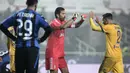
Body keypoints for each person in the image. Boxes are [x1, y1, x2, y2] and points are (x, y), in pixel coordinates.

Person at [0, 0, 52, 73]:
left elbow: (2, 26)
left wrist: (13, 38)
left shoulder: (17, 14)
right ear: (36, 4)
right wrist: (41, 40)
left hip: (19, 48)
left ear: (27, 3)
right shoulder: (37, 16)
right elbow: (49, 29)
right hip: (33, 49)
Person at [45, 7, 86, 73]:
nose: (65, 15)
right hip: (52, 54)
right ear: (57, 15)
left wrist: (82, 20)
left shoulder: (64, 22)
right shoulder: (53, 23)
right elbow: (63, 27)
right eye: (63, 13)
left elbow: (76, 25)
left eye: (65, 13)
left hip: (60, 55)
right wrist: (74, 18)